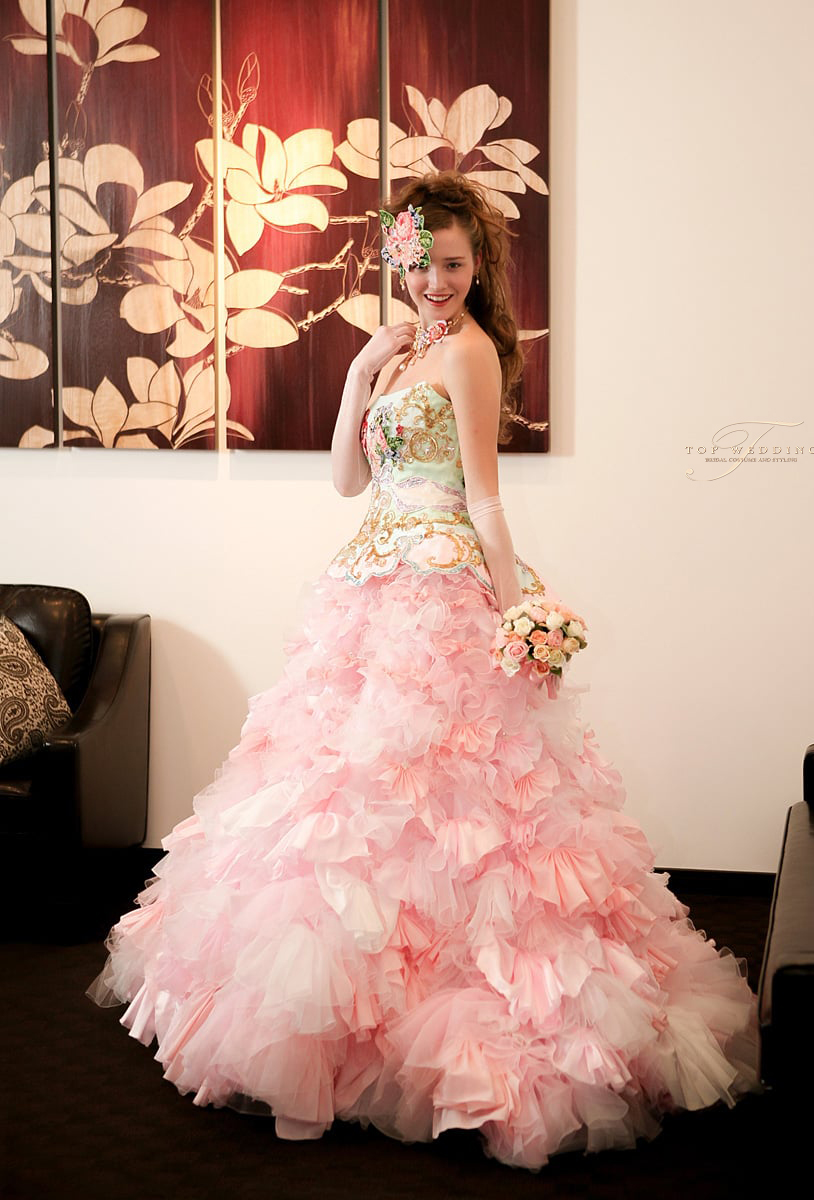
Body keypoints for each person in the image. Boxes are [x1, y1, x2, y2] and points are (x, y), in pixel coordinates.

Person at [87, 170, 760, 1171]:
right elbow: (347, 480)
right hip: (368, 581)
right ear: (396, 261)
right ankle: (342, 1009)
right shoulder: (402, 348)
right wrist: (361, 373)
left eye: (451, 265)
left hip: (439, 590)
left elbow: (482, 498)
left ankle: (453, 1013)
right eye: (419, 264)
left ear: (476, 265)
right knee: (344, 800)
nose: (434, 281)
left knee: (450, 804)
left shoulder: (472, 352)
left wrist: (518, 612)